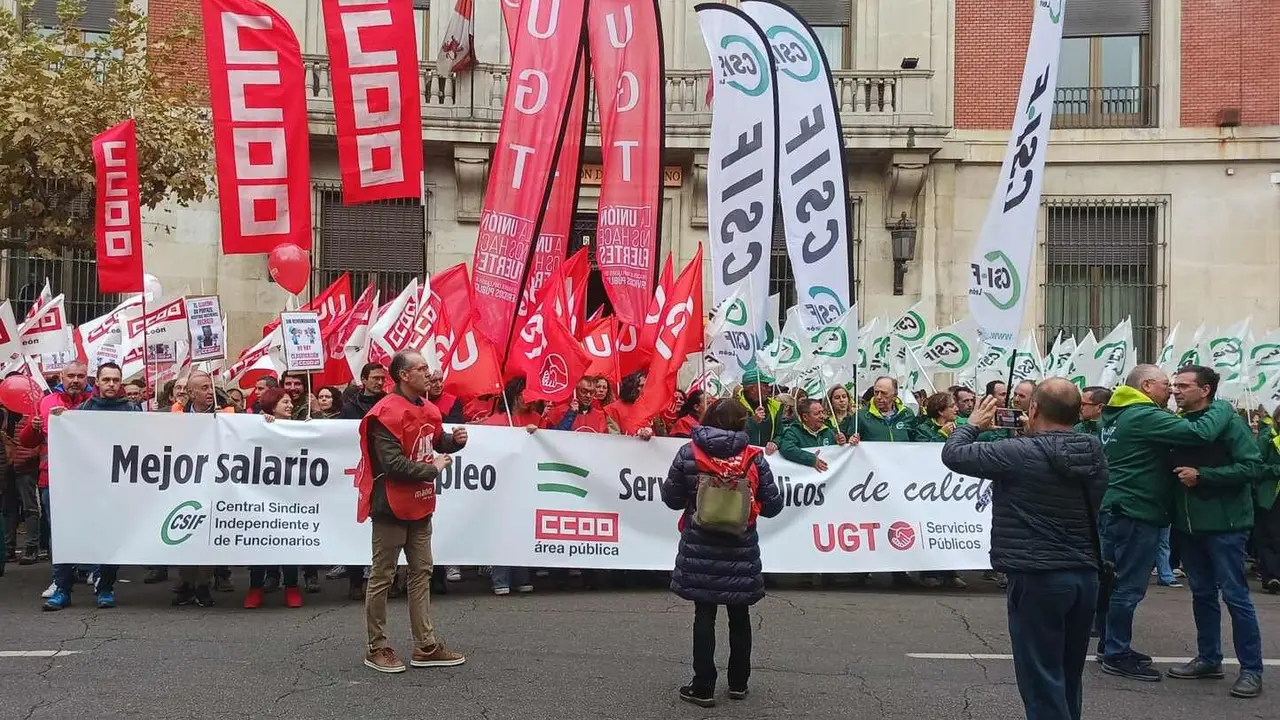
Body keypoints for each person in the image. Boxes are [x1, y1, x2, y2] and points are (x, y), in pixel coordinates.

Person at [940, 381, 1107, 720]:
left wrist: (971, 425)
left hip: (1038, 574)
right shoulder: (1092, 448)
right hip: (1084, 572)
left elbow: (954, 454)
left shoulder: (1019, 452)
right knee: (1067, 674)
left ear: (1033, 410)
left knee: (1041, 679)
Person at [1094, 364, 1234, 682]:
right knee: (1127, 586)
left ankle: (1108, 645)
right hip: (1136, 510)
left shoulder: (1115, 413)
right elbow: (1201, 432)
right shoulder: (1142, 414)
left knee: (1110, 582)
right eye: (1164, 384)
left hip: (1115, 508)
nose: (1170, 391)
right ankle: (1116, 653)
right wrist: (1222, 405)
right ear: (1146, 386)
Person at [660, 398, 784, 708]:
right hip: (740, 548)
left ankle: (703, 686)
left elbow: (672, 499)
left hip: (700, 545)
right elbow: (773, 506)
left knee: (704, 614)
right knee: (739, 614)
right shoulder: (754, 459)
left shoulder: (689, 453)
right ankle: (739, 683)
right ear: (742, 424)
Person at [356, 350, 467, 674]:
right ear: (404, 375)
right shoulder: (385, 413)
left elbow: (434, 441)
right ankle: (377, 647)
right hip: (391, 505)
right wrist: (431, 469)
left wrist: (453, 442)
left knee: (422, 573)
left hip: (420, 504)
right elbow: (392, 463)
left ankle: (426, 645)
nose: (428, 373)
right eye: (420, 369)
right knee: (383, 576)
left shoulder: (429, 408)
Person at [1163, 366, 1264, 698]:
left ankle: (1251, 670)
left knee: (1235, 597)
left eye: (1183, 386)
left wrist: (1203, 475)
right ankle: (1209, 659)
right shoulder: (1179, 424)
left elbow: (1252, 466)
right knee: (1202, 594)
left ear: (1205, 390)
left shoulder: (1229, 422)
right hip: (1188, 526)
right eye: (1174, 385)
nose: (1175, 391)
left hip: (1226, 526)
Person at [40, 363, 139, 611]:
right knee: (67, 535)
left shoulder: (132, 411)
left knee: (109, 539)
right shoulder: (83, 410)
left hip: (115, 487)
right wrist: (62, 422)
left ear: (121, 383)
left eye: (116, 380)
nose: (111, 384)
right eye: (106, 380)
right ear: (98, 383)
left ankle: (105, 588)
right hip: (82, 486)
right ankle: (63, 588)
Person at [18, 362, 89, 600]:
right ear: (62, 377)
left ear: (87, 377)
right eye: (71, 376)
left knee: (87, 524)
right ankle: (60, 579)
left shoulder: (93, 402)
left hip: (88, 478)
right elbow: (27, 442)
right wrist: (33, 427)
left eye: (80, 375)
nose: (75, 380)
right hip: (53, 478)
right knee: (58, 530)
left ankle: (87, 568)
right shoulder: (46, 402)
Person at [171, 370, 231, 607]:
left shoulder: (227, 412)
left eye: (211, 387)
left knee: (209, 535)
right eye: (204, 388)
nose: (210, 392)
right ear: (190, 392)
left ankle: (204, 584)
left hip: (216, 482)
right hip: (186, 482)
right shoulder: (176, 416)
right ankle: (186, 582)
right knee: (187, 533)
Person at [480, 378, 543, 594]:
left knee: (522, 528)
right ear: (515, 395)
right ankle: (500, 579)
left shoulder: (536, 419)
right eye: (527, 392)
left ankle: (521, 576)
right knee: (502, 529)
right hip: (500, 484)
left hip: (526, 484)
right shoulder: (495, 421)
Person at [245, 388, 306, 609]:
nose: (290, 406)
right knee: (260, 542)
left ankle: (291, 586)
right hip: (263, 494)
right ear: (272, 406)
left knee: (288, 541)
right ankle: (255, 587)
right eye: (285, 402)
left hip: (290, 494)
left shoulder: (301, 427)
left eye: (290, 402)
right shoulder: (261, 424)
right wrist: (261, 423)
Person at [915, 392, 967, 590]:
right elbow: (920, 450)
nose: (956, 408)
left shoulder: (959, 427)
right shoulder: (924, 428)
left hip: (953, 486)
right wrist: (941, 434)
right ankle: (929, 572)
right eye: (952, 405)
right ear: (940, 410)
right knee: (930, 528)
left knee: (951, 527)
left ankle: (951, 572)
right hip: (929, 488)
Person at [777, 398, 848, 471]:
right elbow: (787, 448)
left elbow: (838, 453)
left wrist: (841, 442)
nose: (822, 416)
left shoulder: (828, 432)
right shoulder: (793, 432)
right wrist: (811, 459)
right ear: (805, 417)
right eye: (817, 414)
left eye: (822, 412)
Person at [1257, 405, 1280, 594]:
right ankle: (1271, 576)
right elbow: (1255, 467)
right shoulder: (1266, 439)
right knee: (1271, 536)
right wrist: (1276, 470)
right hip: (1271, 496)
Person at [855, 376, 915, 442]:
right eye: (876, 392)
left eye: (884, 393)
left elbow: (917, 443)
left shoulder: (907, 414)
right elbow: (848, 444)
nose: (879, 397)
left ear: (894, 395)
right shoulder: (861, 416)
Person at [738, 369, 783, 453]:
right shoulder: (735, 406)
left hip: (769, 460)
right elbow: (733, 435)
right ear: (753, 389)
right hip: (745, 460)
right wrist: (752, 421)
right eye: (765, 386)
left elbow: (781, 433)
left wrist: (775, 442)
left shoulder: (776, 406)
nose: (769, 389)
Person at [605, 371, 656, 438]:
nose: (644, 389)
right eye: (641, 386)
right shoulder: (613, 409)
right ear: (631, 386)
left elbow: (662, 435)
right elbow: (614, 439)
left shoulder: (652, 408)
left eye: (646, 386)